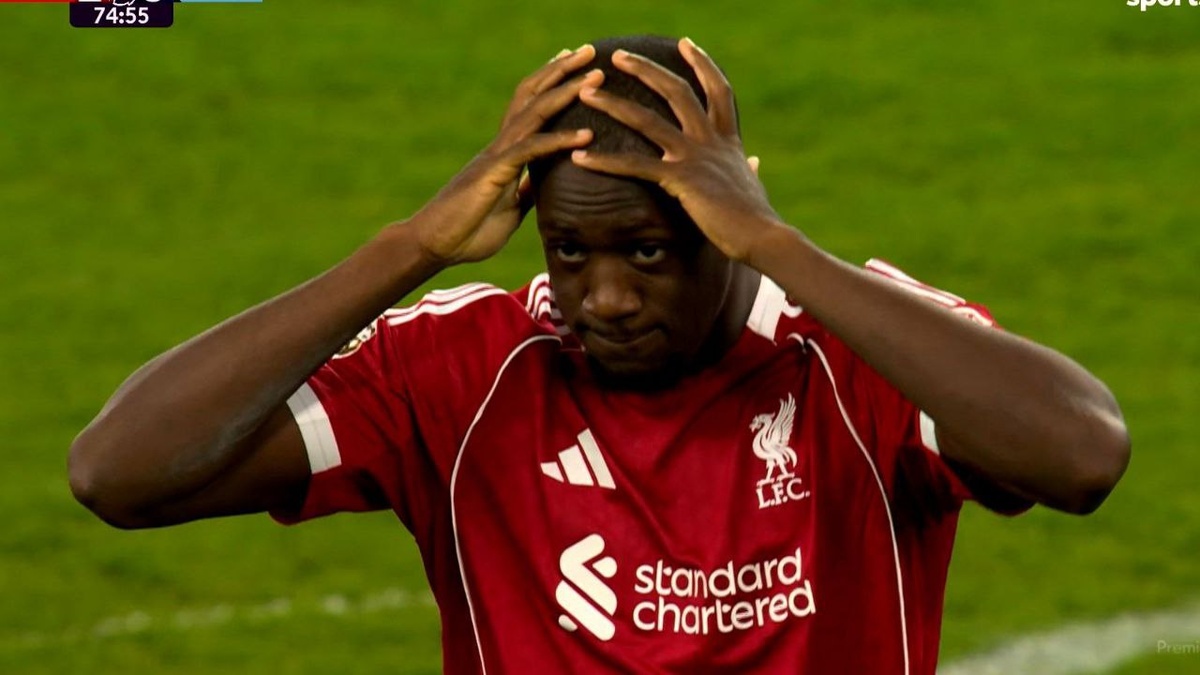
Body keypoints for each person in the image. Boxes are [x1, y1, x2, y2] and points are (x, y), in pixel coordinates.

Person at [69, 35, 1130, 674]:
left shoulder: (857, 351)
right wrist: (411, 248)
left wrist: (778, 247)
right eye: (570, 250)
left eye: (650, 251)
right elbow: (118, 473)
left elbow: (1082, 456)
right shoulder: (461, 369)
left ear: (725, 216)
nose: (606, 298)